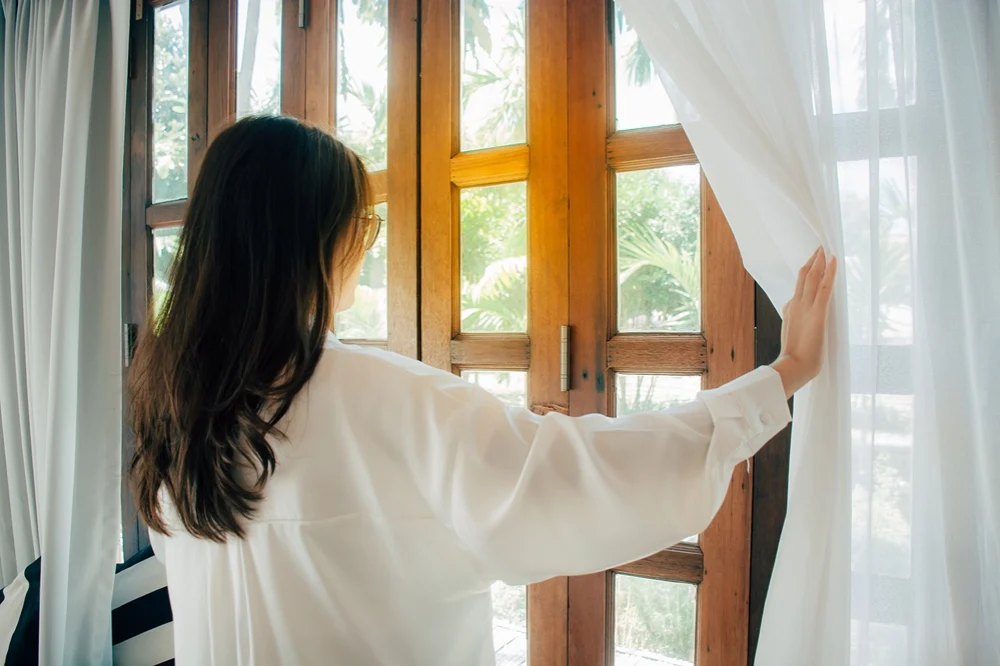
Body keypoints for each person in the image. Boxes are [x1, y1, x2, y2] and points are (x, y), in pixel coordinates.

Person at [129, 116, 837, 665]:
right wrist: (785, 373)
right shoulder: (389, 402)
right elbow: (592, 477)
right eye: (362, 224)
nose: (364, 244)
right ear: (314, 241)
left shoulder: (175, 414)